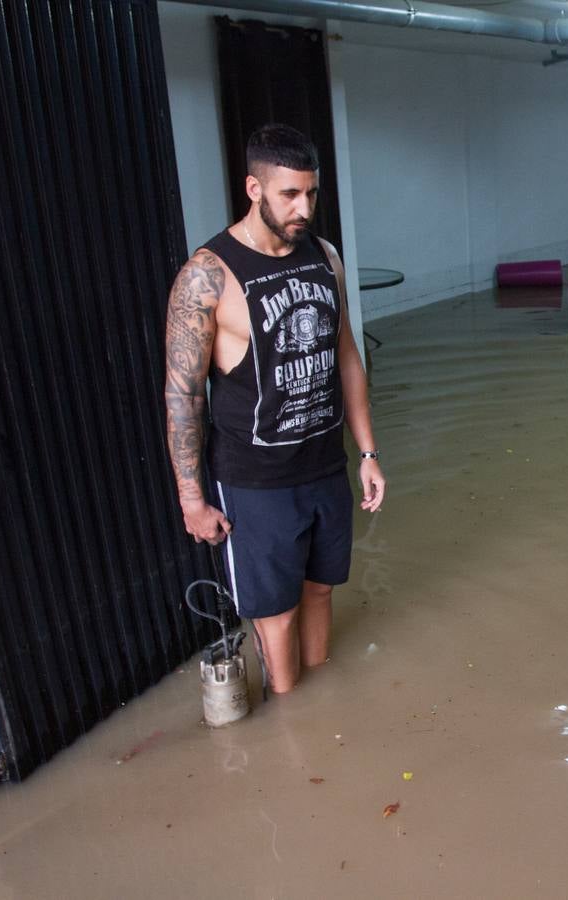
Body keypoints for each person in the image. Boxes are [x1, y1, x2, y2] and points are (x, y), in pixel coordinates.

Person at [163, 123, 385, 693]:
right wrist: (192, 497)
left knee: (319, 588)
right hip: (256, 480)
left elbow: (346, 355)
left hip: (324, 466)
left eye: (311, 193)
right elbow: (183, 394)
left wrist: (367, 451)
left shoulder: (324, 255)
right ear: (254, 189)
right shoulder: (206, 277)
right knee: (275, 612)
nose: (304, 207)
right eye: (290, 194)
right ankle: (291, 725)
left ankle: (323, 704)